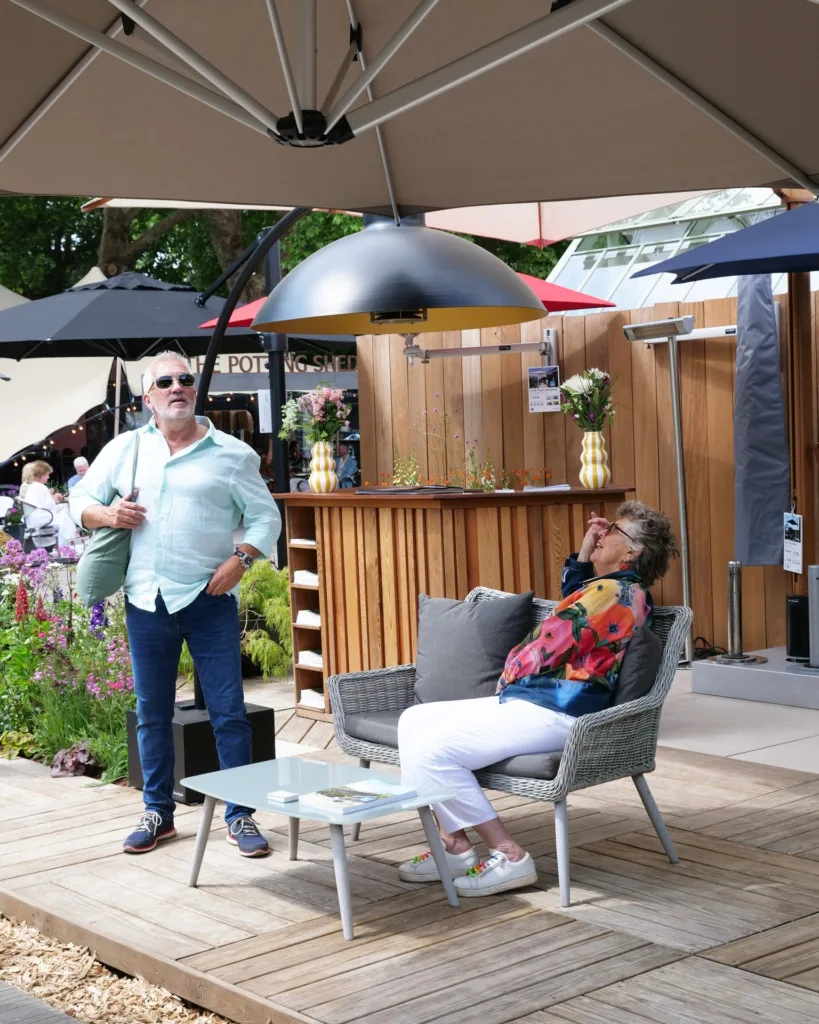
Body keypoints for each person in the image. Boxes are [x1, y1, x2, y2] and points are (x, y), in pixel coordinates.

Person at [396, 500, 678, 896]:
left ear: (632, 551)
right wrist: (586, 550)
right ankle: (454, 845)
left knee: (433, 750)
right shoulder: (614, 590)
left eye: (613, 529)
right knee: (414, 720)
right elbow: (573, 601)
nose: (602, 531)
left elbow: (554, 640)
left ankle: (510, 855)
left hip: (557, 708)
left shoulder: (615, 591)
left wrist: (511, 670)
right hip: (540, 700)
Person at [70, 352, 280, 858]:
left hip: (210, 599)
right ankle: (157, 812)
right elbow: (80, 502)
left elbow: (266, 518)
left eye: (185, 379)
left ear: (194, 389)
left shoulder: (231, 453)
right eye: (165, 382)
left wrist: (241, 560)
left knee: (229, 713)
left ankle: (240, 814)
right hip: (146, 599)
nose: (177, 387)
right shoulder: (125, 449)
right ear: (149, 398)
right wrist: (109, 514)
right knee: (152, 714)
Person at [19, 460, 76, 548]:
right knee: (66, 520)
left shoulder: (33, 487)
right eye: (47, 475)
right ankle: (67, 547)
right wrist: (54, 499)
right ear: (41, 475)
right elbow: (47, 505)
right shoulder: (40, 487)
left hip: (33, 518)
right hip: (41, 517)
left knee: (64, 516)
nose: (48, 477)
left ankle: (65, 546)